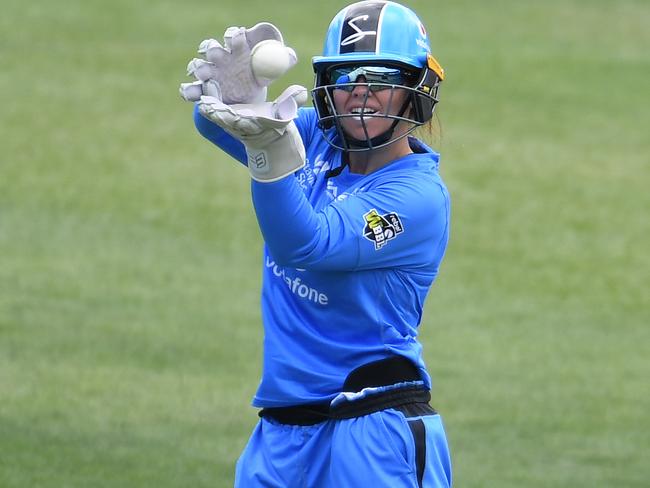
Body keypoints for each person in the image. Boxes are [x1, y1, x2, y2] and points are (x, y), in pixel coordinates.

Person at [180, 1, 452, 486]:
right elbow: (213, 121)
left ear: (415, 89)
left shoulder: (419, 199)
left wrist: (269, 153)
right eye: (347, 77)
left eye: (381, 77)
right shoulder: (315, 135)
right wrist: (240, 95)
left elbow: (305, 245)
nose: (361, 93)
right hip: (282, 432)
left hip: (374, 429)